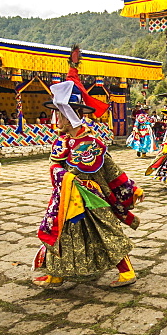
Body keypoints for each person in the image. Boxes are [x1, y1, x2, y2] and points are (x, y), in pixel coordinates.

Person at [33, 80, 142, 288]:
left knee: (106, 232)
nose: (57, 119)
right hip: (66, 196)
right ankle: (55, 274)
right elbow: (55, 164)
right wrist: (62, 174)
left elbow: (110, 169)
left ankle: (127, 272)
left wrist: (131, 187)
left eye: (61, 114)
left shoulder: (91, 143)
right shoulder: (63, 141)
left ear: (70, 115)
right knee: (60, 233)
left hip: (90, 197)